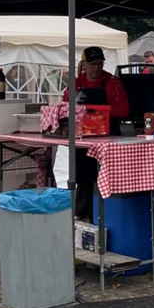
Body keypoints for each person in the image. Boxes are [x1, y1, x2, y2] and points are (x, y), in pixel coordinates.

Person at [62, 46, 130, 218]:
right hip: (82, 137)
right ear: (83, 64)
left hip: (107, 138)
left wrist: (96, 109)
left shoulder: (112, 82)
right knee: (82, 176)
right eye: (92, 64)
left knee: (102, 177)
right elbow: (63, 106)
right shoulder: (76, 82)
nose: (96, 68)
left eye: (99, 63)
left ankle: (102, 215)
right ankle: (82, 212)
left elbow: (124, 109)